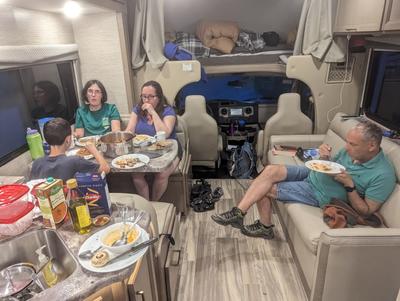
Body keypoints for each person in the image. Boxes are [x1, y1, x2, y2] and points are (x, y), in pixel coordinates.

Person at [212, 119, 396, 239]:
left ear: (372, 146)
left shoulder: (383, 174)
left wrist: (350, 187)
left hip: (320, 192)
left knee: (261, 187)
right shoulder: (350, 152)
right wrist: (324, 158)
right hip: (313, 174)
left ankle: (263, 227)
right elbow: (332, 166)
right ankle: (239, 213)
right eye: (347, 141)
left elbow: (366, 211)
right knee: (269, 171)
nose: (346, 147)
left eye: (352, 144)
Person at [125, 80, 182, 201]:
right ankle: (147, 204)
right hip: (143, 149)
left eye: (151, 96)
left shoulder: (168, 111)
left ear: (159, 97)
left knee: (161, 174)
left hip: (168, 149)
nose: (146, 100)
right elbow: (129, 130)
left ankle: (154, 202)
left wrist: (152, 112)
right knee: (136, 174)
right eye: (144, 96)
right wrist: (127, 135)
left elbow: (165, 133)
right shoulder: (137, 109)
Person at [30, 118, 110, 182]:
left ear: (46, 140)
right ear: (68, 139)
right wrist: (94, 150)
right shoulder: (74, 161)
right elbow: (105, 169)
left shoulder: (36, 163)